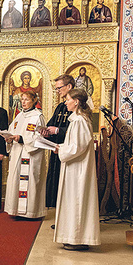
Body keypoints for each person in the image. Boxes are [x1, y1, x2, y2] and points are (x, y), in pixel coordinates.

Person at [53, 88, 100, 250]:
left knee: (77, 201)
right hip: (75, 166)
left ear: (77, 101)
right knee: (73, 201)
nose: (65, 102)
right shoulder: (78, 119)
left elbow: (78, 147)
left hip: (78, 169)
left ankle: (78, 238)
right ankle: (73, 236)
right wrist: (61, 146)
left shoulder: (80, 120)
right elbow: (75, 144)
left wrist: (62, 150)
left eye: (68, 99)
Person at [4, 90, 46, 218]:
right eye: (22, 99)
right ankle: (15, 210)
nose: (23, 102)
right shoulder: (19, 116)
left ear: (34, 101)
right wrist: (9, 138)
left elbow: (41, 138)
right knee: (15, 180)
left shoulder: (38, 117)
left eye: (26, 99)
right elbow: (11, 130)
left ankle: (31, 212)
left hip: (30, 155)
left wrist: (22, 139)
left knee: (30, 182)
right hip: (17, 153)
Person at [42, 74, 75, 209]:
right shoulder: (61, 107)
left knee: (67, 185)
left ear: (69, 86)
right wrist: (45, 132)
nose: (57, 91)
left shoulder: (79, 106)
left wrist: (57, 131)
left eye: (59, 88)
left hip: (70, 153)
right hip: (57, 151)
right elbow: (51, 124)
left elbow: (76, 130)